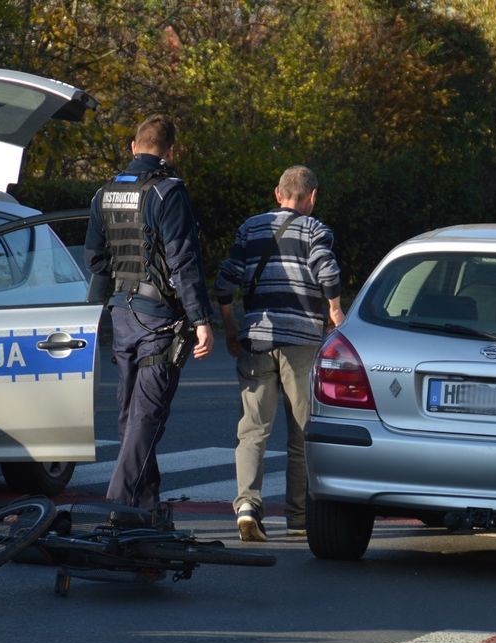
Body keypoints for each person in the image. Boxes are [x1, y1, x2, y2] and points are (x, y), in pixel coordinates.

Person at [84, 115, 214, 519]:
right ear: (171, 151)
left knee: (130, 416)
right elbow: (182, 259)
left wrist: (95, 316)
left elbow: (95, 260)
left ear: (132, 146)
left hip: (121, 316)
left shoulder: (103, 194)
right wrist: (200, 318)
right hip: (158, 320)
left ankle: (146, 510)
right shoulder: (168, 192)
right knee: (146, 416)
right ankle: (118, 509)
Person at [213, 165, 343, 541]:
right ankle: (299, 515)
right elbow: (327, 272)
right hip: (301, 340)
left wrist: (230, 323)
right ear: (312, 197)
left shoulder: (250, 228)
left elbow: (226, 280)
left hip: (256, 337)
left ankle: (247, 506)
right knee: (303, 432)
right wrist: (335, 310)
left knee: (252, 429)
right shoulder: (316, 230)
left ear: (277, 193)